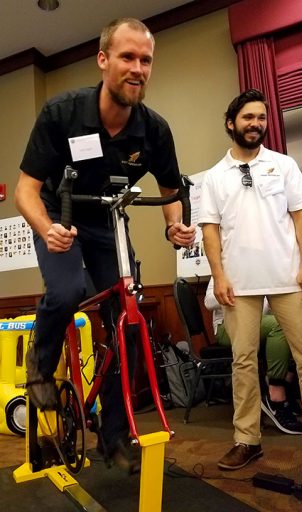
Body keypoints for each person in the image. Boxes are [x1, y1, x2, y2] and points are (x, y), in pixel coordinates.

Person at [14, 18, 195, 472]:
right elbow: (25, 190)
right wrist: (46, 228)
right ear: (103, 60)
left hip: (108, 219)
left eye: (146, 60)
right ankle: (41, 363)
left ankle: (114, 435)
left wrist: (174, 226)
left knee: (129, 321)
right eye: (127, 57)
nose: (137, 68)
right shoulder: (62, 113)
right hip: (61, 214)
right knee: (67, 292)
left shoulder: (154, 130)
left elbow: (172, 191)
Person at [198, 89, 302, 471]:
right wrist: (219, 276)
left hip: (290, 279)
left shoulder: (284, 165)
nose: (256, 124)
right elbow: (210, 231)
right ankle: (247, 440)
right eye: (248, 117)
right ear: (231, 123)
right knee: (243, 362)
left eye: (261, 118)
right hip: (239, 285)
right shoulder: (214, 177)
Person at [205, 277, 302, 435]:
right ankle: (275, 394)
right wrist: (240, 292)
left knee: (296, 326)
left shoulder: (265, 269)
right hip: (225, 326)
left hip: (259, 321)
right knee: (280, 326)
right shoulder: (227, 265)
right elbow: (209, 301)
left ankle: (284, 385)